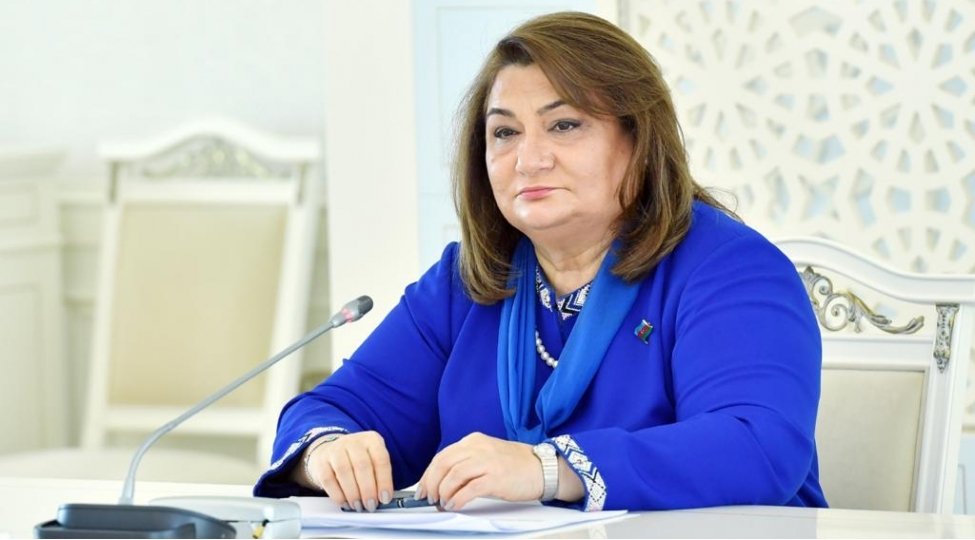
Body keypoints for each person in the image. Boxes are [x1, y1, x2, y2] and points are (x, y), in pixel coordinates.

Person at [253, 11, 827, 512]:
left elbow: (757, 443)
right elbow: (332, 409)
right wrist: (328, 452)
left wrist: (548, 468)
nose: (528, 159)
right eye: (504, 132)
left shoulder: (732, 270)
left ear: (639, 140)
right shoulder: (465, 283)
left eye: (564, 125)